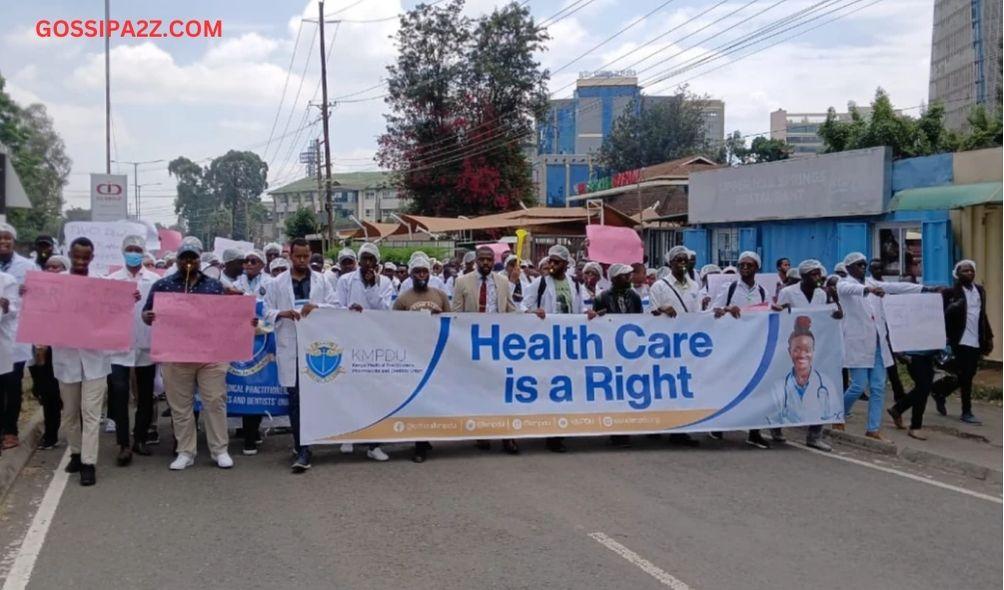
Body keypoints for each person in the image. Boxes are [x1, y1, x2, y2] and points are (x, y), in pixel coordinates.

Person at [142, 237, 235, 470]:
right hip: (176, 356)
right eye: (184, 258)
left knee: (215, 401)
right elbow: (146, 314)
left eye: (193, 257)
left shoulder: (214, 286)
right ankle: (185, 451)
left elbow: (226, 318)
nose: (189, 262)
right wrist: (149, 317)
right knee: (180, 406)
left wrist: (245, 320)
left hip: (210, 356)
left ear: (199, 259)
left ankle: (219, 450)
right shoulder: (163, 286)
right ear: (177, 260)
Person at [836, 252, 930, 440]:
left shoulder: (873, 284)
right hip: (859, 344)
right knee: (858, 385)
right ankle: (838, 414)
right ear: (848, 268)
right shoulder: (844, 284)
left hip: (878, 345)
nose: (862, 268)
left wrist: (925, 289)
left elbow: (897, 287)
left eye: (864, 265)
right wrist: (868, 291)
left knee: (878, 387)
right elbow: (849, 290)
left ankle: (873, 429)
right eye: (858, 265)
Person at [264, 238, 337, 473]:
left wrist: (317, 308)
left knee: (315, 396)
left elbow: (335, 305)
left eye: (306, 256)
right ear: (290, 256)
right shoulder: (277, 283)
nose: (303, 261)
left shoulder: (322, 280)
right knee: (295, 399)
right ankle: (301, 447)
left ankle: (310, 441)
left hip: (316, 347)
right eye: (298, 256)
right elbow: (265, 311)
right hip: (290, 346)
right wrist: (283, 313)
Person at [51, 237, 111, 486]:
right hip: (66, 358)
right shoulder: (56, 283)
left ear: (92, 257)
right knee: (70, 413)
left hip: (95, 359)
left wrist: (126, 301)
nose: (80, 261)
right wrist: (31, 295)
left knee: (91, 412)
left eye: (85, 257)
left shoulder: (103, 283)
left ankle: (88, 462)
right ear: (69, 254)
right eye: (76, 256)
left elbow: (114, 314)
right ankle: (76, 452)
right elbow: (42, 313)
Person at [453, 246, 521, 454]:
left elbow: (511, 310)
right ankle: (482, 432)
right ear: (476, 261)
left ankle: (506, 436)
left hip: (499, 344)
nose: (485, 263)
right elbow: (456, 313)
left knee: (502, 389)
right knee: (479, 389)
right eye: (482, 259)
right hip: (472, 344)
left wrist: (531, 317)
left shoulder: (502, 282)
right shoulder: (462, 282)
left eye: (489, 260)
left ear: (494, 261)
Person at [772, 259, 843, 451]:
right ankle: (777, 427)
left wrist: (835, 304)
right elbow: (778, 317)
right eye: (813, 274)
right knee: (787, 389)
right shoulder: (788, 292)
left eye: (819, 274)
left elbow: (835, 315)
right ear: (803, 276)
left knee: (819, 389)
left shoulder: (822, 294)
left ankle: (814, 434)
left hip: (817, 348)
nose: (818, 278)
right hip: (792, 347)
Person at [334, 242, 394, 461]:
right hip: (350, 341)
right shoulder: (345, 280)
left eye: (372, 259)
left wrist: (372, 287)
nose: (368, 263)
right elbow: (335, 307)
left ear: (377, 263)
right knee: (350, 389)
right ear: (359, 261)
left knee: (374, 392)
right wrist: (348, 310)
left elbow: (385, 311)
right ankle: (348, 434)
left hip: (375, 343)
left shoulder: (385, 282)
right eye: (365, 258)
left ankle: (374, 444)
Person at [521, 245, 584, 453]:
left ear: (566, 265)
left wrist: (589, 315)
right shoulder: (539, 284)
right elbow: (524, 307)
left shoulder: (574, 284)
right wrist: (534, 312)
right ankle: (548, 430)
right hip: (545, 345)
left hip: (567, 343)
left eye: (556, 262)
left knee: (564, 387)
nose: (552, 265)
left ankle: (559, 432)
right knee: (547, 386)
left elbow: (580, 309)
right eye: (550, 261)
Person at [105, 235, 161, 465]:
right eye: (130, 249)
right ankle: (123, 443)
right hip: (119, 345)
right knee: (118, 392)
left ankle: (139, 438)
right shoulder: (111, 280)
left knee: (145, 396)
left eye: (138, 249)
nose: (133, 253)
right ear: (122, 251)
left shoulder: (155, 280)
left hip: (146, 343)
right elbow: (103, 311)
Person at [711, 251, 774, 449]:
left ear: (757, 268)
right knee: (728, 386)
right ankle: (718, 424)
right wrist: (727, 310)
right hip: (731, 347)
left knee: (755, 387)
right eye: (742, 265)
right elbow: (712, 311)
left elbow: (767, 314)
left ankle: (754, 432)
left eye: (749, 265)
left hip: (753, 347)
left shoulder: (762, 292)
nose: (745, 268)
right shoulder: (729, 289)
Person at [394, 255, 451, 463]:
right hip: (413, 355)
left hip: (434, 354)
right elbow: (392, 327)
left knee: (431, 398)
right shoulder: (403, 299)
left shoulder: (440, 296)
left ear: (429, 273)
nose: (421, 275)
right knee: (417, 399)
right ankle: (419, 445)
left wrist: (440, 316)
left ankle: (425, 436)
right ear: (411, 274)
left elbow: (453, 324)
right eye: (417, 271)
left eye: (424, 271)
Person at [934, 260, 993, 424]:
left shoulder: (980, 291)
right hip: (957, 341)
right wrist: (951, 310)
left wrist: (989, 337)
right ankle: (966, 412)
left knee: (967, 374)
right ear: (957, 275)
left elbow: (982, 316)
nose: (969, 273)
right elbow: (939, 317)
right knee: (965, 376)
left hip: (976, 339)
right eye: (965, 271)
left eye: (971, 271)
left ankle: (940, 392)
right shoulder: (949, 293)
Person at [590, 264, 642, 448]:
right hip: (609, 351)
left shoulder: (635, 297)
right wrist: (598, 316)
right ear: (614, 279)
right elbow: (593, 323)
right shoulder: (602, 297)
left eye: (630, 275)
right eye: (624, 276)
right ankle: (614, 430)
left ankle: (626, 429)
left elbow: (641, 321)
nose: (629, 279)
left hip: (629, 351)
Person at [0, 223, 34, 450]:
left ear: (14, 241)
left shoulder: (27, 267)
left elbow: (35, 299)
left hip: (14, 337)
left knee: (12, 386)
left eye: (7, 239)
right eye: (0, 240)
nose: (4, 243)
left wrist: (8, 306)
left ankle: (10, 430)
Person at [30, 241, 63, 451]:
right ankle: (51, 435)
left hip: (68, 351)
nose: (52, 270)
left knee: (69, 395)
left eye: (56, 267)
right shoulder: (36, 291)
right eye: (49, 267)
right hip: (44, 351)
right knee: (48, 394)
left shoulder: (74, 293)